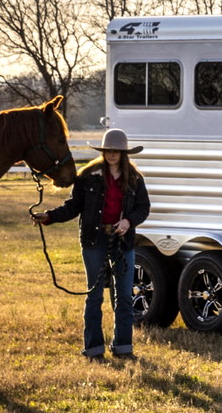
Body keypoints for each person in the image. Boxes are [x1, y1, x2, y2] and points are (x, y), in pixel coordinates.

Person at [33, 127, 152, 361]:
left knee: (124, 296)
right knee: (95, 295)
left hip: (122, 241)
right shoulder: (88, 176)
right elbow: (73, 205)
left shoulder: (135, 179)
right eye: (108, 150)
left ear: (123, 153)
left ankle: (123, 347)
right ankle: (94, 349)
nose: (112, 154)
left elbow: (143, 208)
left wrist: (128, 221)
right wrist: (49, 216)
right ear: (103, 151)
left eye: (116, 151)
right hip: (93, 240)